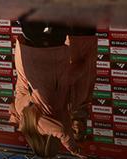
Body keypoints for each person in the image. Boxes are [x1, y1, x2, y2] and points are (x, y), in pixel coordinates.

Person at [10, 20, 85, 158]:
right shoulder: (25, 114)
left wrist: (74, 150)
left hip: (46, 49)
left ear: (46, 142)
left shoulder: (37, 120)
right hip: (37, 48)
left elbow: (61, 131)